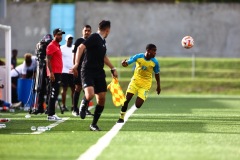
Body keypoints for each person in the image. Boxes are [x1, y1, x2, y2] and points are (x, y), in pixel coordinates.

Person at [72, 20, 117, 131]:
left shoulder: (102, 41)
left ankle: (93, 124)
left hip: (99, 72)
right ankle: (84, 102)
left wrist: (112, 68)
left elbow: (103, 57)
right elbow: (80, 48)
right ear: (108, 30)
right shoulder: (94, 37)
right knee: (90, 94)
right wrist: (76, 64)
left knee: (101, 99)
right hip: (87, 70)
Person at [116, 44, 161, 123]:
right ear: (148, 50)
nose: (155, 53)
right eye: (154, 51)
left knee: (138, 105)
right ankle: (121, 117)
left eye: (155, 51)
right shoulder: (138, 56)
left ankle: (141, 96)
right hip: (135, 82)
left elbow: (157, 74)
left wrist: (158, 86)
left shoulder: (155, 62)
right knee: (126, 100)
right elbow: (127, 63)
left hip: (145, 85)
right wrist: (124, 63)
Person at [72, 25, 93, 117]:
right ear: (82, 31)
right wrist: (75, 67)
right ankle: (75, 109)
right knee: (78, 88)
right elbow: (74, 55)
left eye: (88, 31)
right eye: (85, 30)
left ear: (91, 32)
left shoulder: (92, 42)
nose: (87, 32)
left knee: (88, 90)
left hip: (88, 69)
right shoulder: (78, 41)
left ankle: (85, 109)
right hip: (79, 68)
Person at [46, 28, 65, 121]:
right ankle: (50, 114)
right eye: (58, 34)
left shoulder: (57, 45)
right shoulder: (51, 45)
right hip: (54, 74)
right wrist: (51, 73)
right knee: (53, 93)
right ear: (54, 35)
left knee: (55, 93)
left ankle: (52, 113)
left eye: (61, 34)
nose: (60, 36)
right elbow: (48, 60)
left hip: (58, 73)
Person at [60, 34, 75, 112]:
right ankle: (63, 105)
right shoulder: (62, 48)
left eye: (71, 39)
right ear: (66, 40)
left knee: (74, 89)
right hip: (64, 71)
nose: (70, 40)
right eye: (69, 39)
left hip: (72, 71)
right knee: (64, 88)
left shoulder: (74, 47)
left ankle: (73, 105)